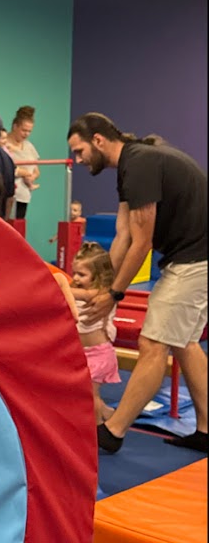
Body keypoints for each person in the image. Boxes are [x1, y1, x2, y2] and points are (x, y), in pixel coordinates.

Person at [67, 112, 207, 453]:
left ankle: (112, 431)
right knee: (185, 342)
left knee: (152, 343)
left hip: (195, 258)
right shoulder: (132, 165)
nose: (79, 160)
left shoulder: (140, 163)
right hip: (189, 256)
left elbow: (142, 242)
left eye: (80, 151)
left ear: (98, 140)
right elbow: (123, 235)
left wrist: (114, 293)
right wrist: (103, 285)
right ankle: (207, 427)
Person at [70, 242, 121, 424]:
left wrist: (57, 284)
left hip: (99, 354)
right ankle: (108, 414)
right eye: (74, 272)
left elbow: (83, 296)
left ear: (98, 276)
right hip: (81, 354)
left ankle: (98, 429)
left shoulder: (100, 293)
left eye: (82, 274)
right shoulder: (79, 290)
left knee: (90, 395)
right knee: (86, 394)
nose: (75, 278)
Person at [5, 106, 41, 219]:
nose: (26, 134)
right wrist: (24, 172)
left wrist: (32, 177)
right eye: (24, 130)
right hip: (8, 195)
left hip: (23, 196)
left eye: (29, 131)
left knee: (19, 226)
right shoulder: (4, 143)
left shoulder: (29, 146)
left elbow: (36, 170)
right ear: (15, 126)